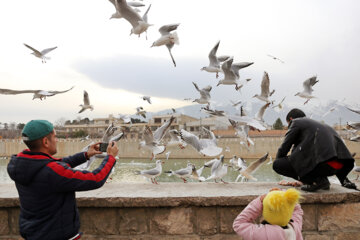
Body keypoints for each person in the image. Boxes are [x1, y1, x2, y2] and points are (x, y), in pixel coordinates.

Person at [7, 120, 119, 240]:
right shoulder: (52, 171)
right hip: (56, 235)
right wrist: (110, 158)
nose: (57, 140)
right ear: (45, 141)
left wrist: (86, 155)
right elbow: (96, 179)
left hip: (33, 233)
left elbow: (56, 164)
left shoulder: (19, 163)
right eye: (55, 137)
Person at [273, 108, 356, 192]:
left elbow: (284, 147)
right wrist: (343, 179)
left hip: (322, 165)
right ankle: (323, 182)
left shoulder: (296, 122)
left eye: (288, 124)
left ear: (290, 119)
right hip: (337, 167)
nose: (288, 127)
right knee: (302, 157)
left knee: (277, 164)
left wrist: (278, 160)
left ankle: (315, 181)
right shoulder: (323, 126)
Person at [233, 188, 303, 240]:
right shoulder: (295, 227)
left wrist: (259, 201)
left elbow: (239, 224)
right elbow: (297, 210)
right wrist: (283, 194)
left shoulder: (260, 233)